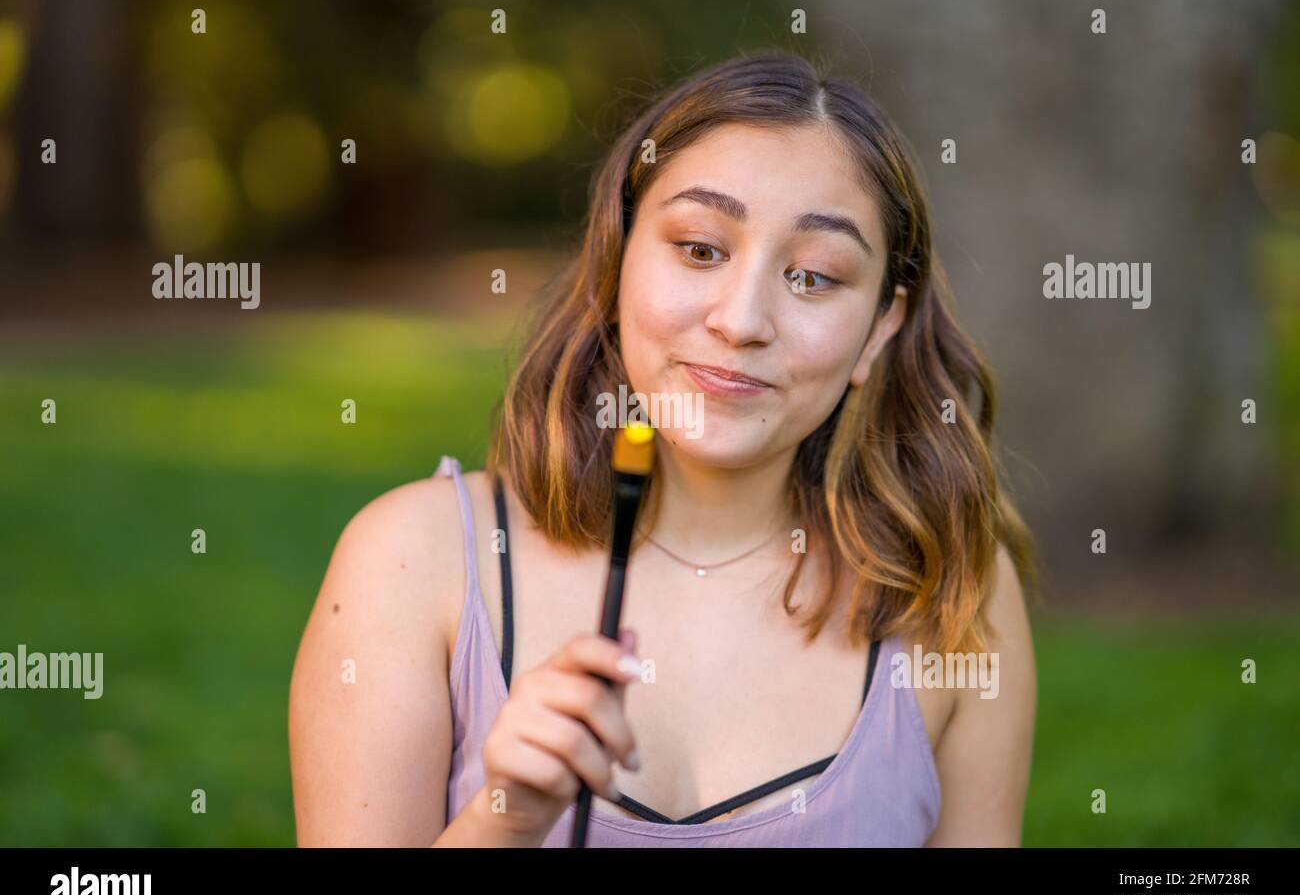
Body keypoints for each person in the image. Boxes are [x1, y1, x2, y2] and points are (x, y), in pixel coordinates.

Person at [289, 49, 1038, 847]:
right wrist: (505, 818)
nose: (742, 319)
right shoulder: (411, 559)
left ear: (879, 329)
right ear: (616, 262)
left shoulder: (952, 591)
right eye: (700, 249)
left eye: (814, 276)